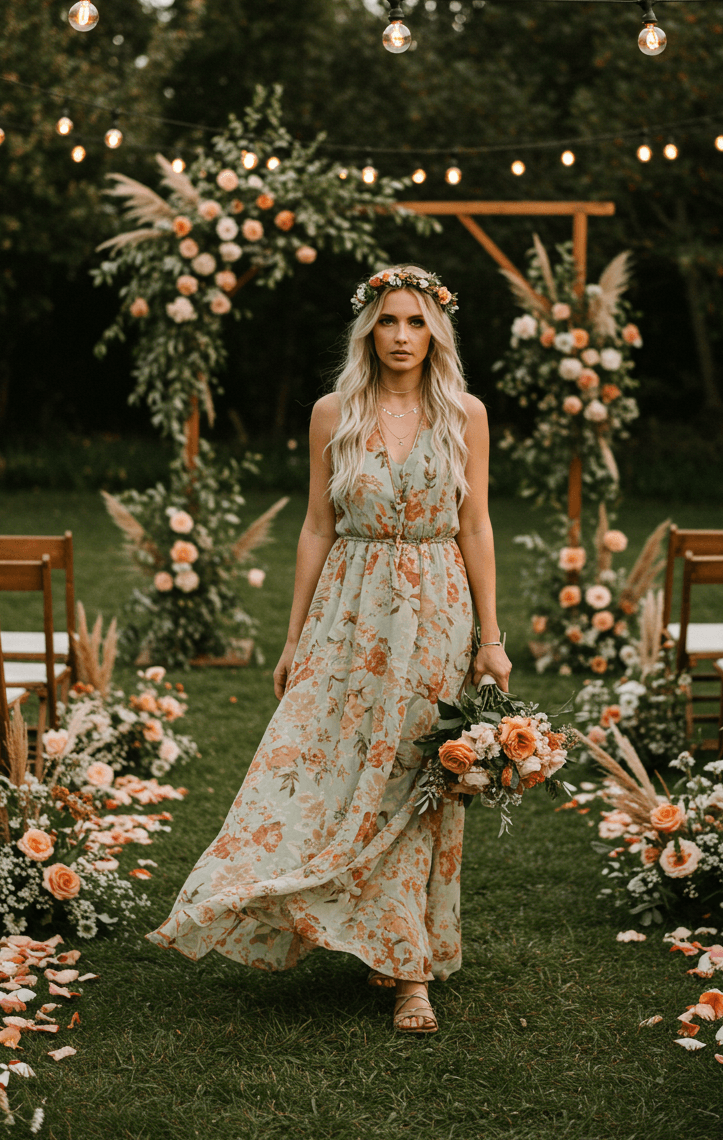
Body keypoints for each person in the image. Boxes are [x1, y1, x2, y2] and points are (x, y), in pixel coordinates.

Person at [147, 264, 511, 1034]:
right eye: (389, 322)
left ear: (435, 330)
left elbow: (476, 527)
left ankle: (407, 968)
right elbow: (316, 525)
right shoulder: (333, 413)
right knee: (319, 763)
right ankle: (272, 889)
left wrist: (493, 638)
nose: (403, 336)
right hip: (349, 609)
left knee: (419, 778)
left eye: (416, 322)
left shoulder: (465, 414)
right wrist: (292, 633)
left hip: (437, 608)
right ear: (367, 331)